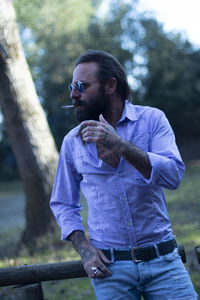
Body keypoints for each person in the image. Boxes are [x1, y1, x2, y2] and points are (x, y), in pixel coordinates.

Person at [50, 49, 197, 299]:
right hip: (110, 270)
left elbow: (173, 175)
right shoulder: (71, 142)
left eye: (81, 86)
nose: (74, 94)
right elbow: (63, 203)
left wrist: (120, 145)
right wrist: (84, 250)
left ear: (110, 85)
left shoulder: (152, 120)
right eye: (71, 86)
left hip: (164, 262)